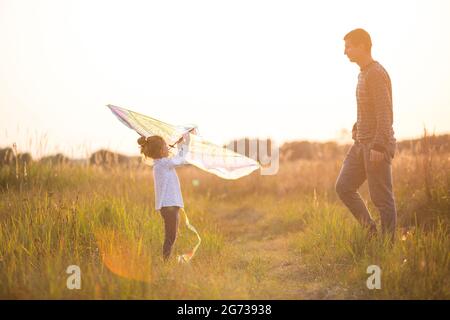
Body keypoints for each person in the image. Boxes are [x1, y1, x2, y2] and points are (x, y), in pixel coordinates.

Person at [336, 28, 397, 241]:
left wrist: (380, 145)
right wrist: (357, 125)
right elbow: (369, 109)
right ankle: (371, 232)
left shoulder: (376, 73)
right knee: (343, 186)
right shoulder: (363, 73)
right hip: (361, 143)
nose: (345, 52)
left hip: (376, 145)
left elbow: (384, 112)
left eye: (348, 46)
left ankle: (388, 247)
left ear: (362, 45)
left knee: (382, 199)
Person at [137, 133, 189, 260]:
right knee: (171, 235)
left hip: (170, 205)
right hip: (168, 206)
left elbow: (176, 158)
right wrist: (185, 142)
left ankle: (166, 258)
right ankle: (165, 260)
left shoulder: (161, 163)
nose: (167, 147)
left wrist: (180, 144)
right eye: (166, 146)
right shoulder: (163, 164)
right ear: (161, 151)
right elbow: (180, 159)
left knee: (172, 234)